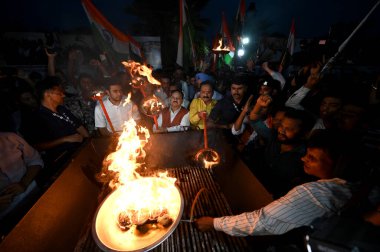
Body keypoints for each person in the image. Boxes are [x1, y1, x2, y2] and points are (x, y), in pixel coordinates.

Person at [195, 129, 354, 237]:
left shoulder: (315, 193)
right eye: (306, 154)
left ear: (339, 164)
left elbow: (263, 221)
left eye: (312, 158)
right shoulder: (351, 186)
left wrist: (213, 223)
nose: (303, 158)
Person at [31, 76, 89, 166]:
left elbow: (78, 126)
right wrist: (65, 139)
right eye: (59, 92)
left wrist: (88, 142)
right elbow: (38, 146)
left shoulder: (62, 109)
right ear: (47, 94)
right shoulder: (38, 117)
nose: (63, 95)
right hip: (62, 160)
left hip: (80, 151)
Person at [0, 132, 43, 220]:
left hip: (32, 193)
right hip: (5, 214)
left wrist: (24, 183)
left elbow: (35, 160)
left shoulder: (10, 137)